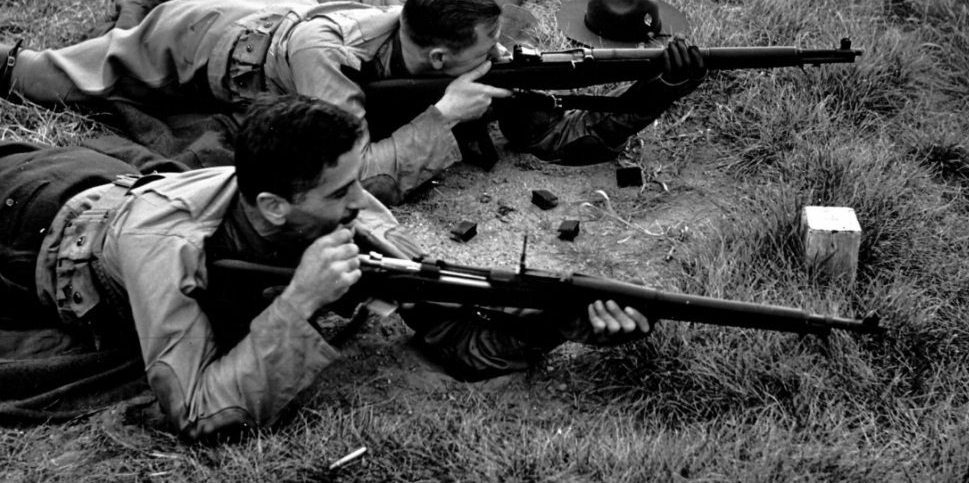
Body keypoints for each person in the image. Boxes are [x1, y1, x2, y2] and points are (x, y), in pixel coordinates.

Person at [0, 96, 654, 443]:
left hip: (109, 180)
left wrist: (553, 324)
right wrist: (296, 305)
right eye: (339, 193)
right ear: (275, 205)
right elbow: (196, 414)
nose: (360, 204)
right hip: (31, 225)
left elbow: (442, 325)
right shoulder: (168, 253)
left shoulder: (320, 208)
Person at [0, 0, 706, 205]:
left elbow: (560, 139)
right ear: (434, 57)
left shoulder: (431, 29)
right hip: (209, 43)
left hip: (283, 3)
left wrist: (660, 86)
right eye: (479, 53)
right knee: (45, 74)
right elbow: (352, 175)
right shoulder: (326, 62)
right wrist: (440, 119)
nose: (494, 61)